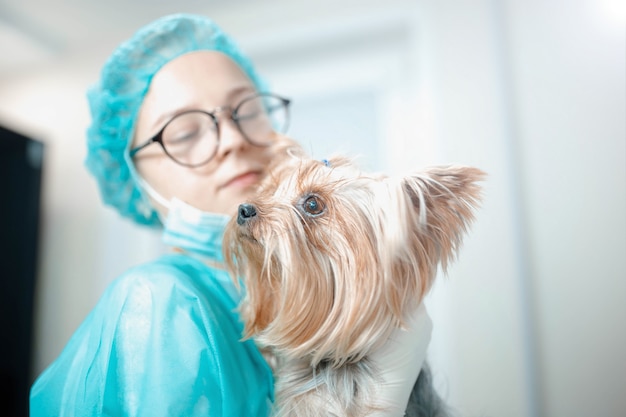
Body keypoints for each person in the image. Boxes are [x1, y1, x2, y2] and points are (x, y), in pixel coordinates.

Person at [29, 13, 432, 417]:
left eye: (245, 111)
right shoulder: (160, 303)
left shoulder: (291, 298)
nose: (234, 140)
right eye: (185, 132)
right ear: (135, 179)